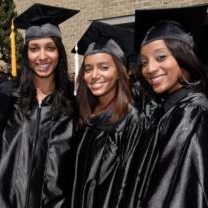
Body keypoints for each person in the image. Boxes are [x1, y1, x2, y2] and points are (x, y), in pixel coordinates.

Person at [0, 3, 79, 208]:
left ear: (60, 53)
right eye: (34, 48)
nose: (43, 56)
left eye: (50, 48)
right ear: (26, 54)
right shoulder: (7, 98)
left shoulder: (72, 107)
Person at [126, 5, 208, 208]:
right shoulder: (171, 109)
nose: (150, 69)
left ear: (183, 58)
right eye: (144, 62)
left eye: (161, 57)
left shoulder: (192, 113)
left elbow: (181, 195)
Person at [70, 21, 146, 208]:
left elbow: (131, 186)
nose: (94, 75)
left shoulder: (132, 120)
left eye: (104, 67)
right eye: (88, 69)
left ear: (120, 73)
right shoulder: (83, 114)